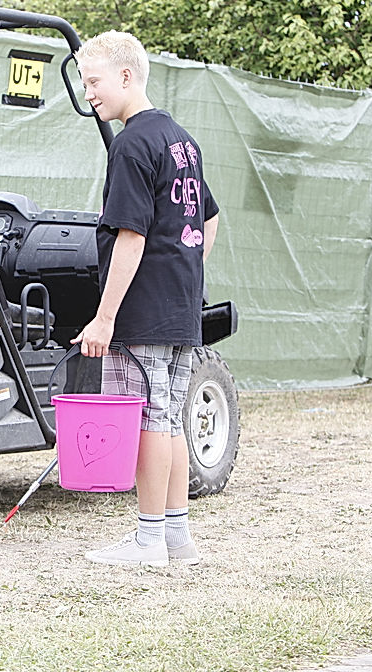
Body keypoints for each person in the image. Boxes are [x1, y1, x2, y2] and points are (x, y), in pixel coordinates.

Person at [72, 31, 219, 568]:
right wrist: (187, 277)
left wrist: (103, 318)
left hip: (144, 312)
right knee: (171, 416)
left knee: (149, 419)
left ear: (126, 77)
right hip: (180, 306)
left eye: (95, 81)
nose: (89, 93)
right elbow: (209, 217)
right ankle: (176, 538)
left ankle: (149, 539)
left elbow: (130, 237)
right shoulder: (182, 140)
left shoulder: (132, 143)